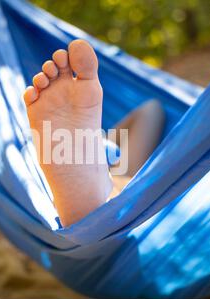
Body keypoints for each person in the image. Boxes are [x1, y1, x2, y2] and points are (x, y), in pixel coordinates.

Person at [23, 39, 165, 226]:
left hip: (108, 165)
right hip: (117, 172)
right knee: (152, 110)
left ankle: (96, 185)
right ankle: (101, 184)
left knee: (151, 110)